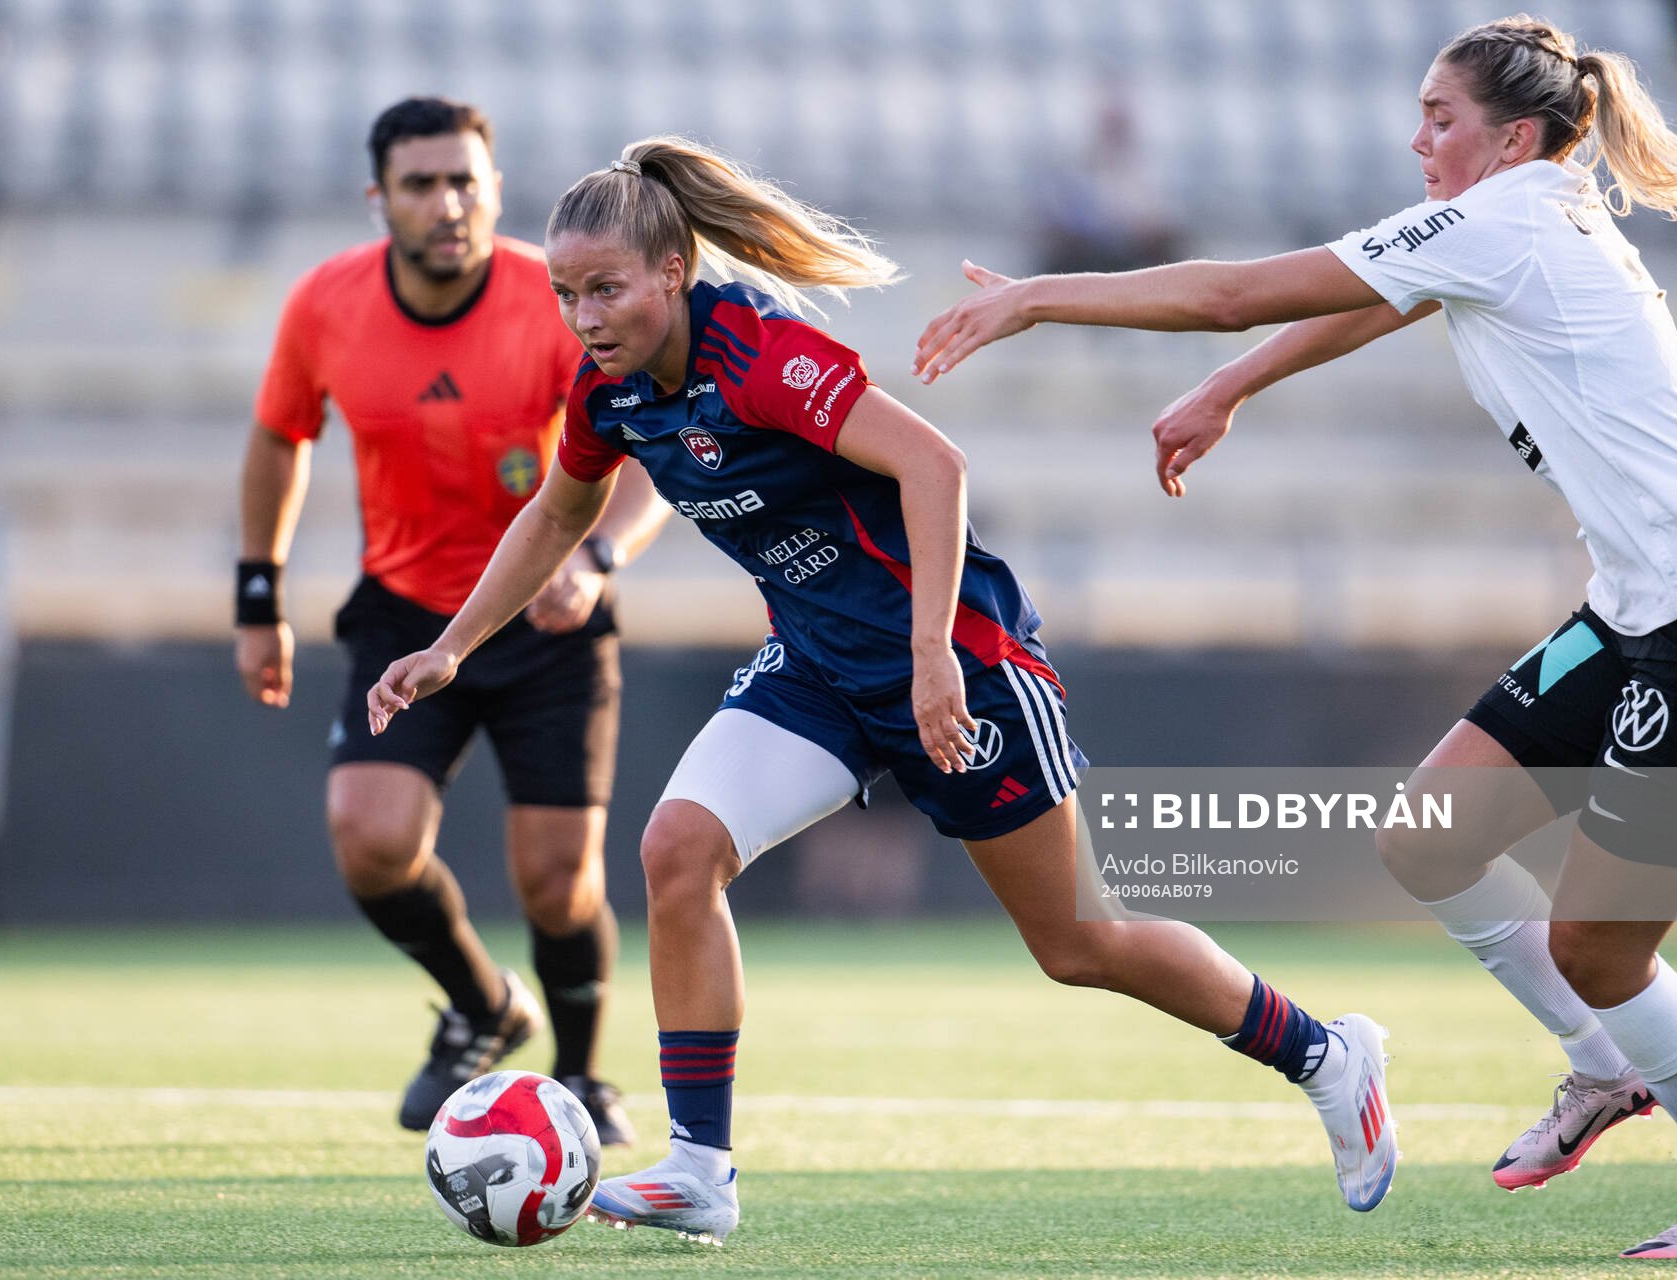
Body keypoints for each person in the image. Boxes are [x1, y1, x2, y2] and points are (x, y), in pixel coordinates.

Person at [367, 135, 1400, 1244]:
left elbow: (935, 465)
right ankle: (700, 1166)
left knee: (1080, 942)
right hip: (817, 667)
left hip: (956, 661)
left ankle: (1324, 1051)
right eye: (568, 293)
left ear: (672, 271)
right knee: (677, 851)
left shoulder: (760, 355)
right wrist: (454, 645)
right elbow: (558, 515)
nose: (586, 315)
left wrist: (929, 656)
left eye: (607, 288)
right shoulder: (610, 393)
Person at [915, 15, 1677, 1262]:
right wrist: (1235, 386)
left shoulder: (1507, 218)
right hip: (1637, 609)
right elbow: (1374, 302)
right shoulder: (1525, 215)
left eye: (1439, 119)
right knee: (1429, 836)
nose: (1418, 141)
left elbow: (1234, 290)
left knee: (1601, 946)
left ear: (1511, 137)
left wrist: (1037, 298)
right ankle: (1604, 1064)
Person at [236, 96, 668, 1143]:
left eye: (466, 180)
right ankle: (484, 1003)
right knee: (370, 839)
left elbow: (657, 439)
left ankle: (579, 1079)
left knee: (559, 884)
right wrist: (259, 591)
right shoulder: (324, 304)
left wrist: (602, 559)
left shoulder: (559, 296)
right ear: (378, 197)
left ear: (496, 188)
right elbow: (280, 436)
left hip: (548, 619)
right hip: (402, 612)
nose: (448, 203)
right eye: (422, 183)